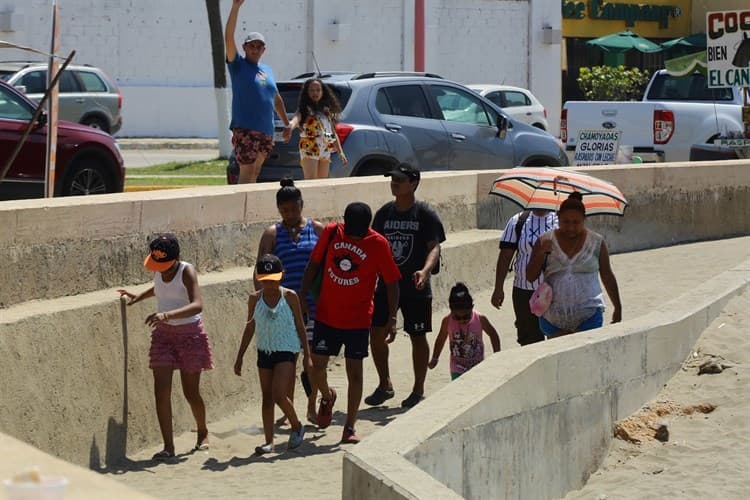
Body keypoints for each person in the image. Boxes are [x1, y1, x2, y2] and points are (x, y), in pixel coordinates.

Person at [300, 202, 401, 444]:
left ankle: (349, 427)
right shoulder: (332, 232)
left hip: (358, 319)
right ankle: (327, 396)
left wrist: (393, 318)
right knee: (316, 368)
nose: (355, 236)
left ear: (367, 226)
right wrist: (302, 296)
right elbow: (313, 265)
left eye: (360, 232)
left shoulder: (378, 243)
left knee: (354, 374)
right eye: (352, 230)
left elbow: (392, 282)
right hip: (327, 315)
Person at [117, 233, 212, 460]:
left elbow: (197, 304)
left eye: (165, 265)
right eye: (157, 265)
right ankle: (168, 447)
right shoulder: (160, 271)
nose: (160, 270)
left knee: (191, 392)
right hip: (164, 336)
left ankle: (202, 431)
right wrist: (138, 296)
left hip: (190, 335)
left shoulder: (186, 271)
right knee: (161, 392)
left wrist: (166, 314)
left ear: (176, 258)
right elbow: (159, 288)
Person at [365, 163, 445, 409]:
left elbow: (435, 247)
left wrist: (425, 270)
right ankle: (384, 384)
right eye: (392, 179)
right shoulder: (384, 213)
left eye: (399, 179)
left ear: (414, 183)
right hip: (386, 286)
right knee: (376, 333)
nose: (394, 183)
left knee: (417, 336)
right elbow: (372, 244)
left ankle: (418, 389)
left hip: (415, 287)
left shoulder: (425, 214)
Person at [256, 178, 324, 423]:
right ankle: (290, 408)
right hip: (282, 309)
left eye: (294, 209)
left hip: (312, 307)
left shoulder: (316, 229)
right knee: (288, 360)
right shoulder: (272, 234)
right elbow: (260, 270)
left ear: (301, 205)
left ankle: (312, 406)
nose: (290, 215)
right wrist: (265, 303)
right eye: (285, 211)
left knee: (312, 362)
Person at [234, 254, 312, 454]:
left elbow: (300, 326)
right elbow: (250, 327)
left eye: (273, 278)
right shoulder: (254, 299)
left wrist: (307, 355)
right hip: (265, 350)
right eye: (265, 279)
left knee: (279, 394)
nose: (269, 283)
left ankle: (296, 425)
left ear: (282, 275)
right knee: (267, 397)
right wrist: (240, 355)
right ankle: (269, 441)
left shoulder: (290, 296)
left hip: (287, 349)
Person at [526, 192, 622, 337]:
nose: (571, 227)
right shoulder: (545, 240)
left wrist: (617, 306)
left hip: (589, 316)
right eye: (566, 222)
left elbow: (607, 275)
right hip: (553, 319)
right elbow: (530, 276)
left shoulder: (597, 242)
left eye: (576, 222)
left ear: (584, 219)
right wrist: (541, 253)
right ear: (558, 218)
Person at [225, 0, 290, 183]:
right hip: (245, 129)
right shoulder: (237, 65)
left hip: (265, 131)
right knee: (246, 173)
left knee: (254, 173)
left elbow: (276, 99)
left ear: (264, 49)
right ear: (245, 47)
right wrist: (235, 7)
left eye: (258, 46)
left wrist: (286, 123)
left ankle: (249, 210)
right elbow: (228, 37)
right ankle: (239, 210)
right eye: (251, 46)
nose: (255, 49)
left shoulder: (267, 70)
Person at [491, 208, 558, 346]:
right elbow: (505, 256)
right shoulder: (518, 222)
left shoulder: (560, 221)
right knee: (529, 340)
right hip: (524, 291)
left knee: (557, 338)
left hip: (556, 292)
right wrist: (498, 288)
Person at [428, 283, 501, 379]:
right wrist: (435, 358)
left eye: (466, 317)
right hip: (457, 367)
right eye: (457, 317)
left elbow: (493, 334)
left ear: (472, 307)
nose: (462, 320)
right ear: (451, 310)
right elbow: (441, 339)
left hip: (478, 366)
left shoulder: (480, 318)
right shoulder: (447, 321)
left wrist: (497, 355)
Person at [287, 78, 347, 179]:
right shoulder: (304, 109)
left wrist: (340, 152)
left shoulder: (326, 110)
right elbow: (296, 119)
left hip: (325, 148)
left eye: (318, 90)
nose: (315, 93)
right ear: (307, 92)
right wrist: (290, 127)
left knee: (322, 182)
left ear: (323, 92)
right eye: (312, 90)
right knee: (311, 181)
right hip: (310, 146)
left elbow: (332, 132)